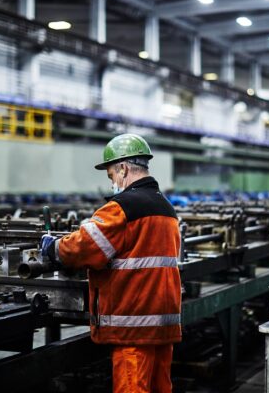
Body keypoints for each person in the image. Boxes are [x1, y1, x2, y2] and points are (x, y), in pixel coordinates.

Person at [41, 133, 182, 393]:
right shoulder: (166, 208)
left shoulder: (122, 208)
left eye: (111, 177)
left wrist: (54, 248)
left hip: (133, 327)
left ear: (123, 168)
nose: (112, 184)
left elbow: (85, 247)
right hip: (162, 324)